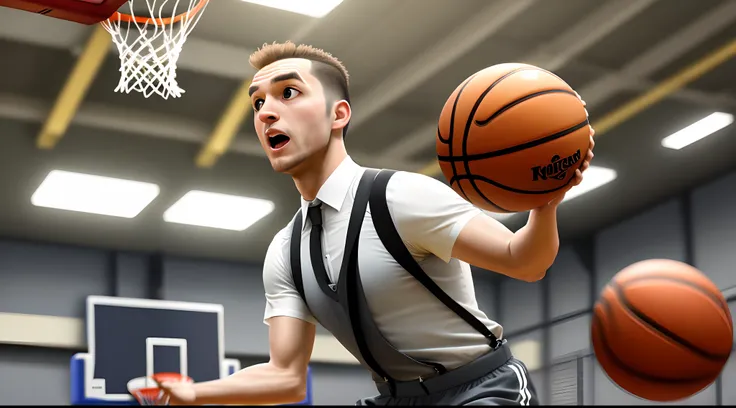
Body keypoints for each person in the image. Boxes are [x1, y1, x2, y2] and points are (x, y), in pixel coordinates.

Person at [160, 41, 595, 406]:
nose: (266, 112)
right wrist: (194, 394)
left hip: (480, 389)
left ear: (339, 115)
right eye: (258, 102)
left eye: (288, 93)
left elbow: (525, 262)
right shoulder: (285, 251)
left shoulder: (401, 196)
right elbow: (286, 376)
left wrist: (546, 198)